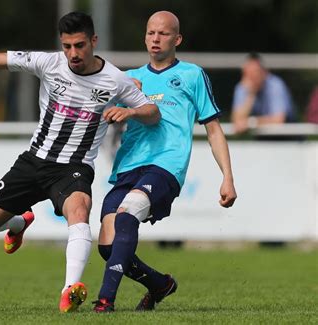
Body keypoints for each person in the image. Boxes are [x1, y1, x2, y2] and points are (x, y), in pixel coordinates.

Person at [0, 12, 159, 313]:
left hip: (74, 167)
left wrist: (132, 112)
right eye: (67, 46)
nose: (73, 53)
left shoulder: (116, 80)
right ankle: (19, 222)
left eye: (80, 45)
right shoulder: (48, 63)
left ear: (93, 42)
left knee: (79, 210)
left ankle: (70, 288)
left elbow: (152, 111)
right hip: (34, 161)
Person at [92, 11, 237, 313]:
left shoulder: (192, 75)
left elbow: (213, 130)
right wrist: (115, 101)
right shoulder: (131, 78)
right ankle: (160, 284)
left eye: (163, 33)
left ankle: (105, 300)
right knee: (107, 245)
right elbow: (104, 117)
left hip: (166, 166)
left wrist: (227, 177)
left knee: (128, 213)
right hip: (129, 165)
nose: (155, 39)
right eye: (150, 33)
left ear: (177, 39)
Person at [231, 52, 294, 134]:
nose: (252, 77)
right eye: (248, 74)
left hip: (287, 136)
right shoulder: (242, 87)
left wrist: (251, 122)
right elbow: (237, 122)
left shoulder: (276, 85)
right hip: (262, 138)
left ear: (264, 72)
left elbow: (279, 120)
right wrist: (251, 95)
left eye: (255, 73)